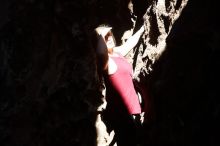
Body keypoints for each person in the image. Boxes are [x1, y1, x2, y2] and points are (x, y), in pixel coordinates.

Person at [93, 24, 145, 146]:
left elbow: (129, 44)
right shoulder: (105, 62)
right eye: (105, 38)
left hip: (134, 110)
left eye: (110, 35)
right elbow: (101, 53)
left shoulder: (117, 53)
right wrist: (100, 33)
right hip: (122, 115)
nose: (109, 38)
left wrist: (143, 28)